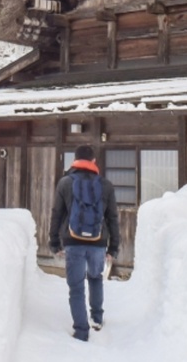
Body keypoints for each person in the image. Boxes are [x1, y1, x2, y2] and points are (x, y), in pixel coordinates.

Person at [48, 145, 120, 342]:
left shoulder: (65, 183)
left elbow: (57, 214)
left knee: (76, 287)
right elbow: (112, 217)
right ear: (94, 161)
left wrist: (55, 242)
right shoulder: (105, 185)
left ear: (75, 160)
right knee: (95, 278)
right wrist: (113, 247)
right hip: (98, 241)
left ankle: (81, 331)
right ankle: (96, 318)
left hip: (73, 241)